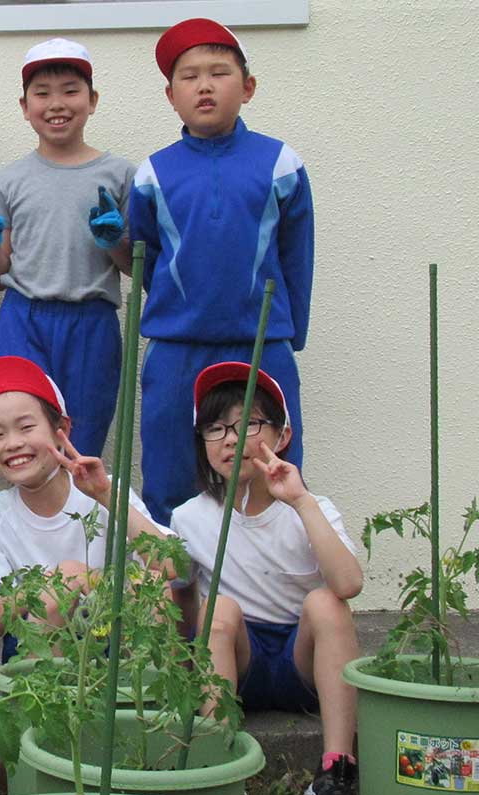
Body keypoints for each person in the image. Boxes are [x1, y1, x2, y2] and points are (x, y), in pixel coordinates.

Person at [129, 18, 315, 525]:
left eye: (219, 73)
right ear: (171, 95)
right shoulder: (152, 173)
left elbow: (297, 256)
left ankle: (273, 593)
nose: (204, 85)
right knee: (169, 471)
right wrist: (180, 312)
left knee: (273, 471)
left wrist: (288, 334)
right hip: (176, 350)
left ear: (248, 87)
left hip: (260, 345)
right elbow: (149, 260)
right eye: (189, 76)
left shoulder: (280, 163)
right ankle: (173, 595)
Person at [171, 362, 361, 795]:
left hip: (304, 661)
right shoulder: (189, 517)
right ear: (202, 444)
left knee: (326, 602)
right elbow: (181, 600)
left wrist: (300, 500)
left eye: (249, 423)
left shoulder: (312, 507)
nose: (231, 439)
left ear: (283, 436)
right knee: (217, 606)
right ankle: (215, 756)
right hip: (237, 661)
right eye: (215, 429)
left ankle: (337, 769)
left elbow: (349, 584)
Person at [0, 38, 135, 458]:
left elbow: (135, 267)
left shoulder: (121, 174)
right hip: (23, 318)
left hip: (92, 323)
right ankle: (26, 519)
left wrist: (114, 243)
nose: (56, 103)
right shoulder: (9, 181)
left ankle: (81, 523)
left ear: (92, 100)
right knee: (17, 436)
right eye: (42, 93)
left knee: (82, 441)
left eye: (70, 90)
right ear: (24, 107)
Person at [0, 356, 169, 663]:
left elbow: (169, 565)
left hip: (112, 635)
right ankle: (50, 709)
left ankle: (143, 704)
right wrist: (58, 581)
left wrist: (106, 496)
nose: (13, 443)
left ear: (62, 430)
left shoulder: (104, 489)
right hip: (35, 641)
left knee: (152, 585)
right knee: (51, 600)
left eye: (26, 427)